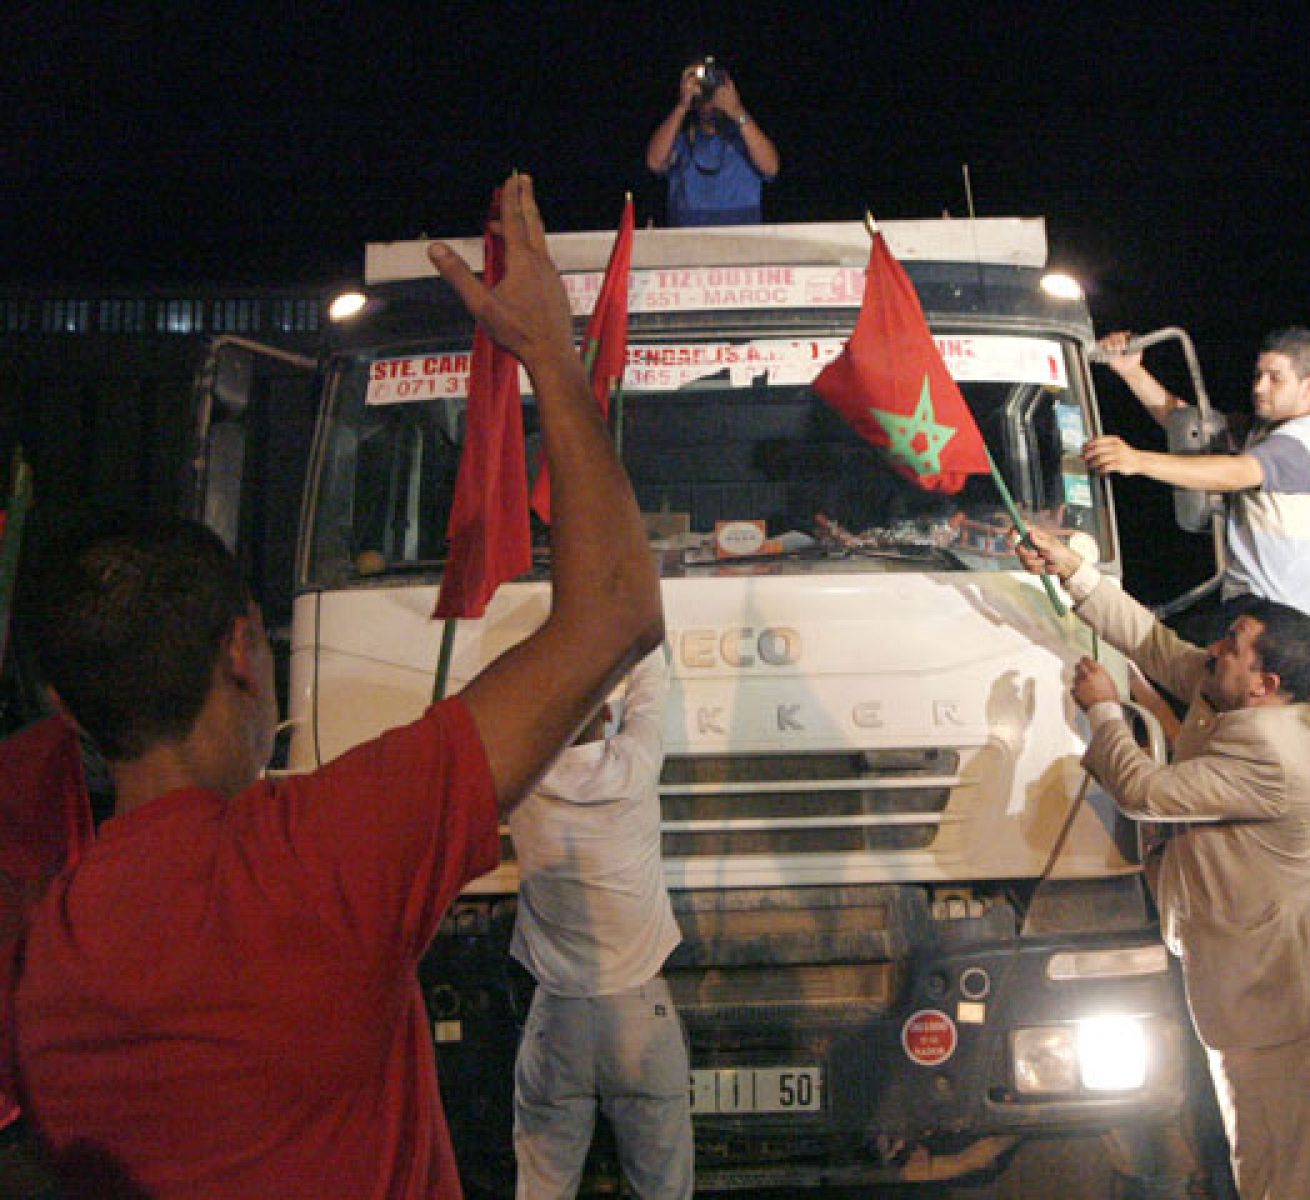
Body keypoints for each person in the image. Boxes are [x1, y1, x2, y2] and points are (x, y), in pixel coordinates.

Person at [8, 172, 664, 1199]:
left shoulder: (49, 950)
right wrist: (548, 350)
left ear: (69, 710)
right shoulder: (317, 855)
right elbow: (617, 610)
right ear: (241, 652)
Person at [1013, 526, 1310, 1200]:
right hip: (1254, 978)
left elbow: (1145, 792)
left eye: (1232, 647)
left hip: (1269, 990)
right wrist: (1074, 571)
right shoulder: (1248, 697)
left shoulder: (1272, 752)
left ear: (1266, 683)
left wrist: (1105, 713)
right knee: (1273, 1157)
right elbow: (1155, 645)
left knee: (1282, 1169)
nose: (1214, 651)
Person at [508, 647, 691, 1199]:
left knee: (543, 1187)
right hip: (641, 1017)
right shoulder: (634, 768)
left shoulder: (522, 788)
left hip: (557, 1019)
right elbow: (651, 689)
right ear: (608, 717)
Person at [1090, 328, 1310, 626]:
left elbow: (1238, 472)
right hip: (1248, 608)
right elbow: (1190, 429)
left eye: (1275, 378)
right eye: (1258, 375)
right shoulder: (1266, 431)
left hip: (1279, 622)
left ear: (1309, 386)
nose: (1260, 387)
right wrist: (1132, 372)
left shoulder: (1306, 443)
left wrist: (1138, 461)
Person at [645, 58, 779, 227]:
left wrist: (737, 111)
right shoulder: (682, 141)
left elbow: (771, 167)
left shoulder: (746, 139)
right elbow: (655, 162)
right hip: (689, 235)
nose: (710, 98)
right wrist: (682, 105)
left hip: (741, 235)